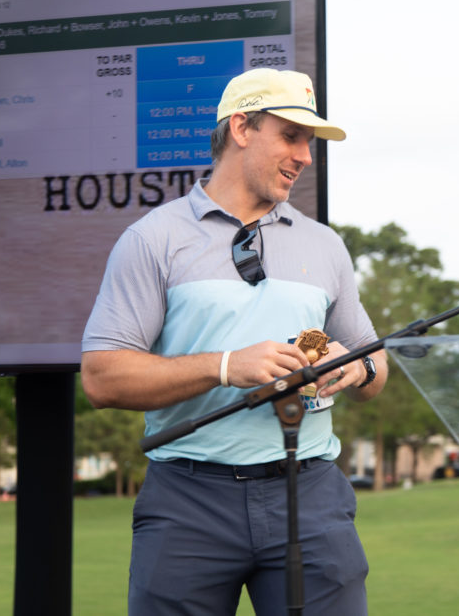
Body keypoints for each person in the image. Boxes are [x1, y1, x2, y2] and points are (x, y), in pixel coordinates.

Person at [81, 68, 388, 616]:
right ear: (242, 127)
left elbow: (375, 362)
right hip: (187, 501)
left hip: (310, 493)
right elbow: (102, 377)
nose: (305, 156)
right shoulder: (152, 239)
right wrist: (225, 366)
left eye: (310, 143)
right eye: (292, 137)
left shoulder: (325, 246)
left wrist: (355, 368)